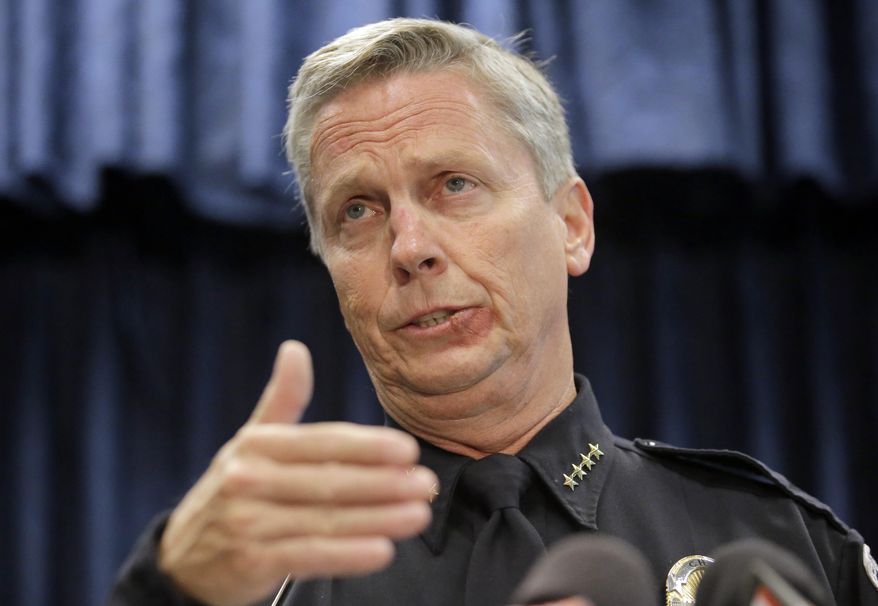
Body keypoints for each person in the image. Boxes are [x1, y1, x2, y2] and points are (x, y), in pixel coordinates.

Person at [107, 18, 878, 606]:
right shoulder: (258, 577)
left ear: (572, 224)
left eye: (454, 185)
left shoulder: (779, 546)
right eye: (358, 212)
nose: (410, 248)